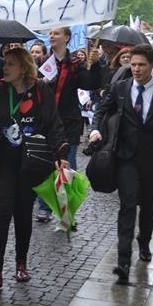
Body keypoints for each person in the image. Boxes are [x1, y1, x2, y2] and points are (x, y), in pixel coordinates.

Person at [89, 44, 153, 284]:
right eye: (133, 64)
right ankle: (123, 262)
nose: (136, 69)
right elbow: (101, 111)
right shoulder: (120, 89)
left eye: (141, 65)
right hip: (125, 158)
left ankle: (144, 241)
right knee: (127, 205)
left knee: (148, 207)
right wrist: (95, 130)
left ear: (152, 65)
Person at [0, 48, 69, 288]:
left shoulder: (40, 91)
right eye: (5, 64)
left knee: (23, 214)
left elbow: (53, 124)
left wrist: (61, 152)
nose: (5, 68)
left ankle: (21, 264)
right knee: (1, 212)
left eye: (11, 65)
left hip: (31, 164)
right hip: (2, 163)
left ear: (24, 68)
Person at [36, 26, 101, 223]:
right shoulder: (41, 61)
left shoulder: (76, 63)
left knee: (67, 165)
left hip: (68, 122)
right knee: (44, 164)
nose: (52, 36)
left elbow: (89, 84)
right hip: (46, 121)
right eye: (50, 33)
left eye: (56, 33)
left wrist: (95, 65)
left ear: (67, 38)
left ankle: (66, 208)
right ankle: (44, 206)